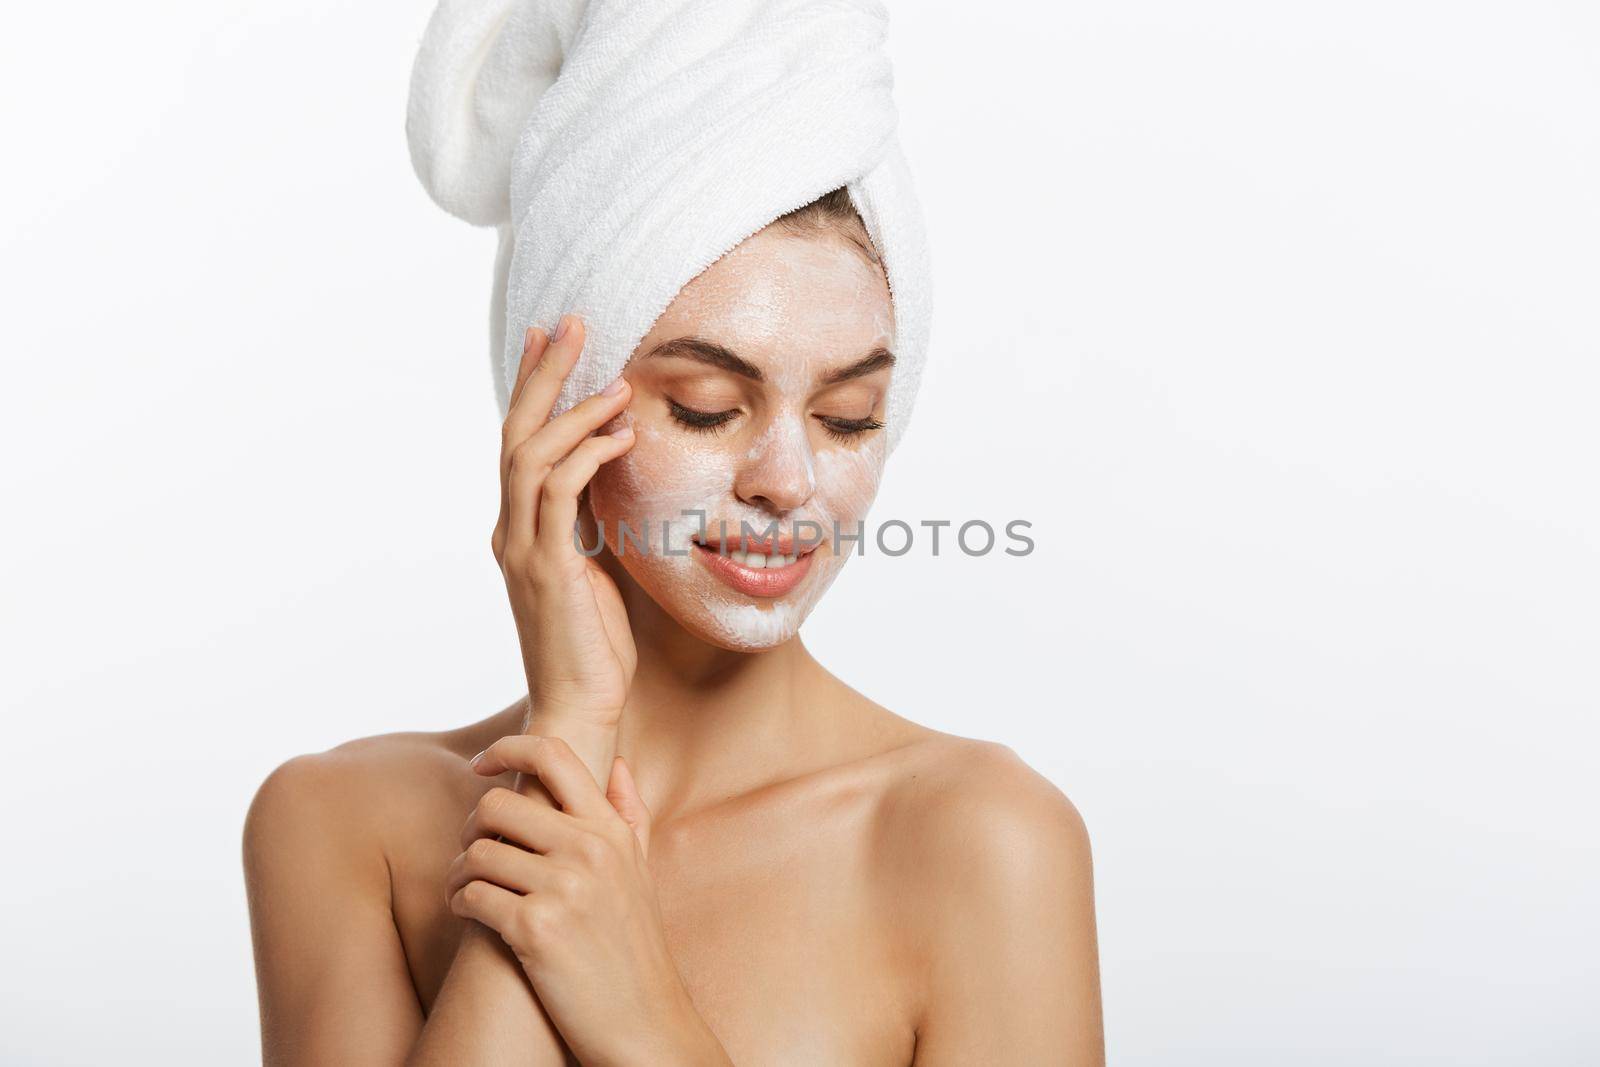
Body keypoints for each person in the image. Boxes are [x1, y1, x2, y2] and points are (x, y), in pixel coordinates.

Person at [245, 3, 1103, 1064]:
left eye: (848, 418)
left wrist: (638, 1007)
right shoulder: (340, 825)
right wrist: (567, 733)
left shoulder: (983, 840)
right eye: (705, 404)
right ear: (554, 414)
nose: (787, 483)